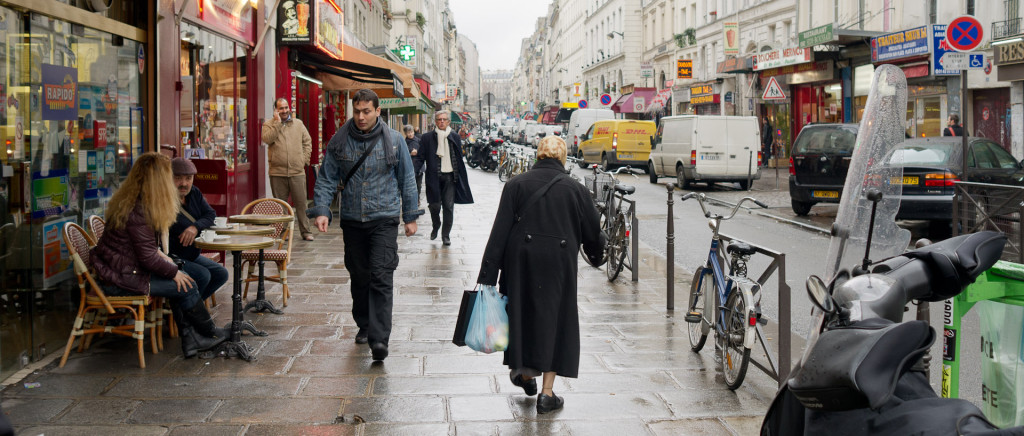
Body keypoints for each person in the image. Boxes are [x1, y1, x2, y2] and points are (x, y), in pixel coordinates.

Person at [476, 136, 605, 414]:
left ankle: (525, 374)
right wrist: (597, 254)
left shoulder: (516, 185)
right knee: (556, 321)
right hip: (559, 263)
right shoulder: (576, 189)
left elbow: (499, 231)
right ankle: (547, 394)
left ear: (538, 155)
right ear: (563, 157)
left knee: (522, 316)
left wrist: (487, 275)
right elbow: (594, 232)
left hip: (521, 262)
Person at [308, 88, 421, 361]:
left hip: (384, 218)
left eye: (366, 111)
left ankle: (379, 339)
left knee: (381, 275)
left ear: (377, 111)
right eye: (357, 111)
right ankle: (364, 323)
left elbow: (407, 179)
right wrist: (322, 210)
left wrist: (410, 216)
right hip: (352, 219)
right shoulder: (340, 140)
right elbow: (327, 177)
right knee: (359, 276)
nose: (361, 116)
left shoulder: (395, 140)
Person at [91, 152, 228, 358]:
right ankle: (205, 334)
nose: (171, 182)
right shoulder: (138, 209)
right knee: (187, 284)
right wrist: (174, 272)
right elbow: (148, 257)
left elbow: (148, 249)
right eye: (168, 176)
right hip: (122, 277)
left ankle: (194, 339)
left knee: (186, 281)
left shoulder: (137, 201)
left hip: (128, 270)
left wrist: (171, 265)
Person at [168, 157, 229, 305]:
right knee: (203, 275)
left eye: (188, 178)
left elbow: (210, 214)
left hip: (192, 254)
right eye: (178, 178)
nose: (184, 183)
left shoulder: (194, 193)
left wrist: (195, 227)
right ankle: (188, 311)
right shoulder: (164, 200)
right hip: (172, 257)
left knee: (221, 274)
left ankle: (191, 308)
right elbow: (175, 226)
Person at [261, 98, 315, 241]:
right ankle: (282, 232)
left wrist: (303, 160)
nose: (284, 111)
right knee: (281, 205)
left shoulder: (298, 124)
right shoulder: (268, 125)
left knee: (301, 203)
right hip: (277, 172)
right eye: (281, 108)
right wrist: (277, 123)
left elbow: (307, 142)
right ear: (276, 110)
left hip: (297, 171)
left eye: (286, 107)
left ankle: (306, 231)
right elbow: (267, 139)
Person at [420, 110, 474, 246]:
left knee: (448, 207)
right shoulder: (427, 138)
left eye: (444, 119)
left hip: (450, 177)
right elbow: (420, 157)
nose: (442, 122)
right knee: (434, 206)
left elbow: (458, 156)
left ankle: (445, 235)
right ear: (435, 122)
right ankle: (436, 224)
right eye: (439, 119)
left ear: (448, 122)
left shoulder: (454, 136)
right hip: (434, 177)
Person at [404, 124, 425, 197]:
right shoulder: (404, 143)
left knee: (418, 185)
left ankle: (417, 198)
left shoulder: (419, 140)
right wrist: (410, 153)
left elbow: (423, 152)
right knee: (410, 185)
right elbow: (402, 154)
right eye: (408, 133)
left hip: (419, 166)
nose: (410, 134)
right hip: (409, 166)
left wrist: (417, 152)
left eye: (411, 132)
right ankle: (413, 199)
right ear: (405, 133)